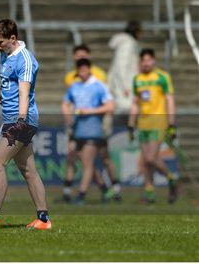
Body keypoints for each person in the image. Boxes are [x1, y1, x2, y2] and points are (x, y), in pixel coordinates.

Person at [0, 19, 51, 230]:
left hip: (21, 119)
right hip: (11, 117)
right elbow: (9, 82)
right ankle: (43, 219)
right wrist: (1, 91)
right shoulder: (5, 53)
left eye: (0, 41)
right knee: (29, 170)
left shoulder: (25, 59)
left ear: (13, 38)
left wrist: (21, 122)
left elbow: (24, 93)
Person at [61, 45, 121, 203]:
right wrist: (69, 117)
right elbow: (66, 102)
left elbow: (110, 106)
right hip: (78, 128)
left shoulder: (99, 82)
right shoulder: (74, 83)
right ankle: (103, 188)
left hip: (95, 127)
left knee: (101, 158)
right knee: (77, 157)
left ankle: (87, 194)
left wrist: (90, 111)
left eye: (84, 68)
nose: (81, 72)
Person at [128, 49, 178, 204]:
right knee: (146, 161)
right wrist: (131, 123)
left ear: (154, 60)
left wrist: (171, 123)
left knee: (151, 158)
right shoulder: (137, 79)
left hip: (159, 121)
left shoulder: (162, 77)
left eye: (149, 60)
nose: (146, 63)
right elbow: (136, 103)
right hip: (143, 123)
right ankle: (149, 192)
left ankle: (171, 179)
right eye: (143, 60)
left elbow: (170, 100)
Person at [108, 20, 141, 115]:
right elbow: (121, 66)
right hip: (125, 87)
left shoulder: (129, 44)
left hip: (125, 85)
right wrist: (125, 87)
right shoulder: (127, 44)